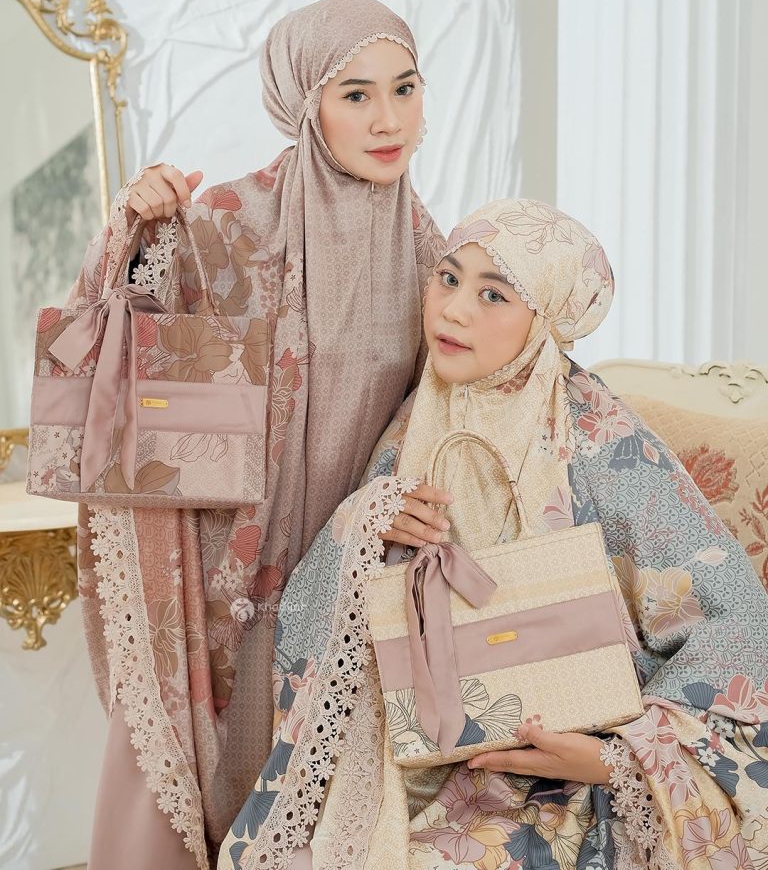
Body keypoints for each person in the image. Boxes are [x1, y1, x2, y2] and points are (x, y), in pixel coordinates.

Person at [219, 199, 768, 870]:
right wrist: (365, 525)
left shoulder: (601, 439)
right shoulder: (418, 418)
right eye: (448, 279)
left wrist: (613, 758)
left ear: (545, 318)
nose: (453, 310)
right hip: (422, 757)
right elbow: (328, 612)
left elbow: (738, 623)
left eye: (493, 294)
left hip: (566, 775)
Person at [64, 0, 452, 869]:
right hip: (229, 579)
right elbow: (114, 345)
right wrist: (137, 229)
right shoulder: (228, 222)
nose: (388, 120)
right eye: (355, 94)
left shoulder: (435, 257)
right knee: (210, 792)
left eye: (405, 88)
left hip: (353, 585)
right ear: (305, 104)